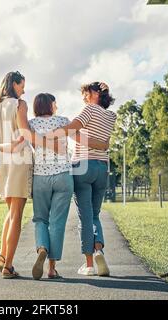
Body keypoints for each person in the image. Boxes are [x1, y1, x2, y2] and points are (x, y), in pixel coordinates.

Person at [28, 93, 109, 280]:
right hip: (64, 177)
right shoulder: (64, 121)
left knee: (41, 219)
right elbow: (83, 141)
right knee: (57, 223)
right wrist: (103, 145)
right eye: (55, 103)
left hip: (41, 176)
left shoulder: (32, 124)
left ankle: (42, 248)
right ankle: (51, 268)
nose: (57, 105)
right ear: (51, 105)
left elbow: (27, 145)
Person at [45, 82, 116, 277]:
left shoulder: (89, 110)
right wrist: (99, 145)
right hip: (102, 168)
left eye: (86, 94)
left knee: (85, 215)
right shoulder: (111, 116)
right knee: (95, 214)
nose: (83, 98)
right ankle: (99, 249)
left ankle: (90, 264)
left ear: (95, 94)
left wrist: (53, 129)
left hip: (83, 166)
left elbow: (70, 129)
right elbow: (104, 143)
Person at [0, 71, 33, 279]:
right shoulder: (20, 104)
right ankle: (8, 266)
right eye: (22, 86)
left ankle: (2, 257)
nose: (24, 90)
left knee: (10, 212)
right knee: (16, 214)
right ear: (14, 84)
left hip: (0, 163)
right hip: (19, 161)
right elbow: (25, 133)